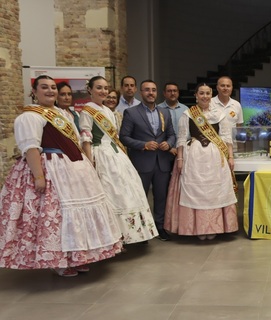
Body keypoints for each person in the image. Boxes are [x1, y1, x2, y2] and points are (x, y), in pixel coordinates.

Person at [0, 75, 122, 277]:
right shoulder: (30, 116)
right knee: (57, 216)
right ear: (34, 91)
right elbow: (31, 148)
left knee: (75, 217)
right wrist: (38, 177)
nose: (50, 91)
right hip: (51, 170)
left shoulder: (62, 113)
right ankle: (59, 262)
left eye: (52, 88)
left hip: (73, 169)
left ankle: (77, 256)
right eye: (44, 87)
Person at [79, 76, 158, 245]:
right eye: (99, 88)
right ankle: (111, 238)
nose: (103, 91)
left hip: (115, 155)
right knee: (110, 193)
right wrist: (89, 163)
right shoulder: (87, 110)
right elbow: (86, 139)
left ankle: (128, 234)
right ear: (90, 90)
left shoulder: (108, 111)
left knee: (126, 192)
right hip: (99, 154)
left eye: (106, 88)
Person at [164, 83, 238, 240]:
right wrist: (180, 158)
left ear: (211, 95)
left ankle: (213, 227)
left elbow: (226, 138)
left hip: (216, 156)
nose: (205, 96)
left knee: (215, 191)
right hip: (195, 156)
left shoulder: (219, 114)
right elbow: (182, 138)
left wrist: (230, 156)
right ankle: (197, 228)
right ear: (196, 95)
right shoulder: (188, 114)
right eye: (201, 93)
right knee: (196, 190)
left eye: (207, 93)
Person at [120, 80, 176, 241]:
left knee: (161, 197)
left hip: (162, 162)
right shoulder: (131, 113)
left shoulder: (164, 112)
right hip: (142, 162)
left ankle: (160, 226)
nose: (150, 93)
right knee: (140, 197)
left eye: (153, 90)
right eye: (147, 90)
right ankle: (141, 231)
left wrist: (169, 143)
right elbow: (123, 137)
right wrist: (143, 145)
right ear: (140, 92)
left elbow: (171, 134)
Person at [210, 77, 243, 150]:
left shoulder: (237, 105)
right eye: (222, 85)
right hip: (213, 147)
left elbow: (239, 127)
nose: (225, 88)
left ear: (231, 88)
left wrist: (240, 146)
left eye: (228, 86)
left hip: (232, 147)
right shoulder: (209, 103)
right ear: (217, 87)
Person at [158, 82, 188, 158]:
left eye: (175, 91)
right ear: (164, 93)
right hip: (163, 151)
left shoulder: (186, 110)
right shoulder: (157, 109)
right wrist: (168, 147)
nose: (172, 93)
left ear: (178, 93)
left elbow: (189, 131)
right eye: (169, 91)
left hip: (183, 151)